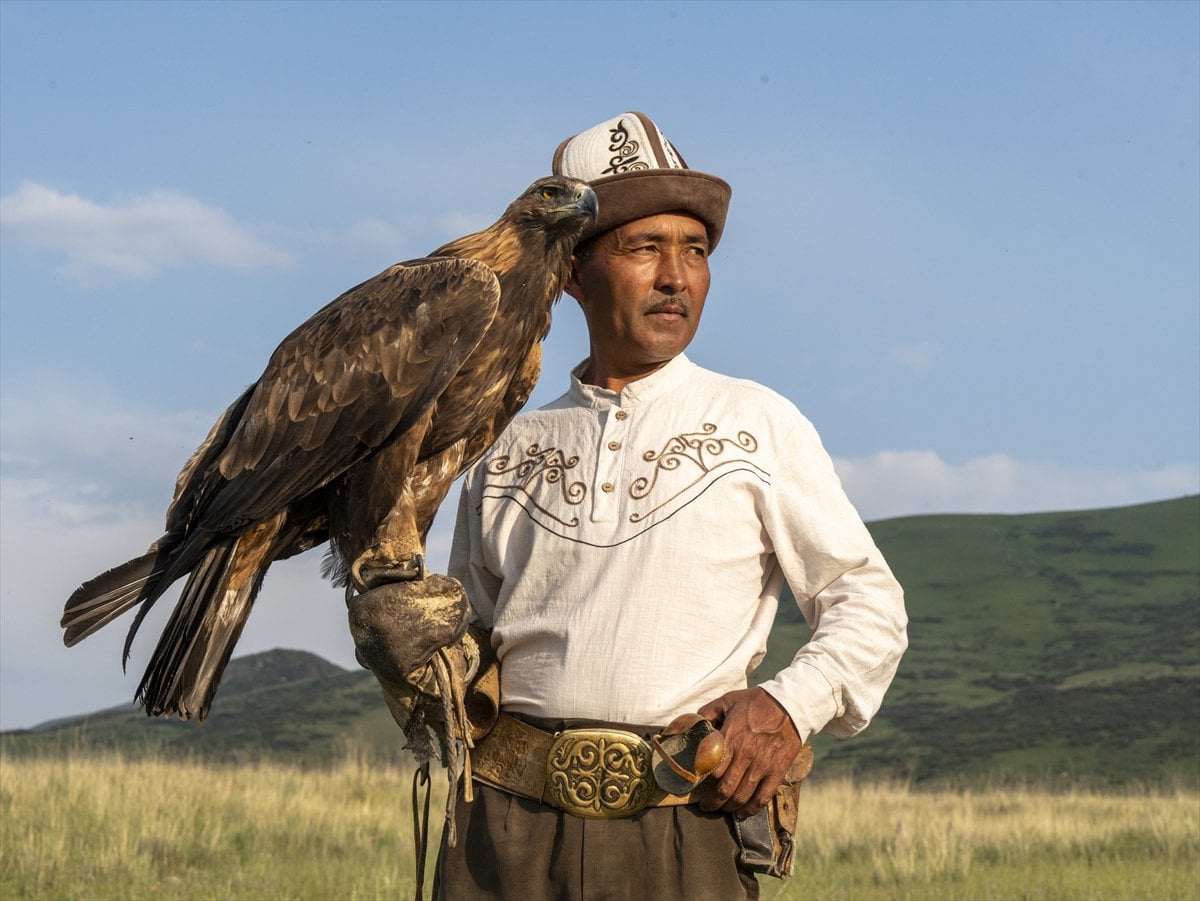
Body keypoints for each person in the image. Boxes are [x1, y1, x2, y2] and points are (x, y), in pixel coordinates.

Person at [433, 111, 908, 900]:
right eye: (644, 247)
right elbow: (468, 641)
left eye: (694, 250)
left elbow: (869, 603)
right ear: (574, 274)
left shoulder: (759, 424)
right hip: (505, 839)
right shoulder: (506, 444)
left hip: (682, 833)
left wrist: (787, 707)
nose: (675, 276)